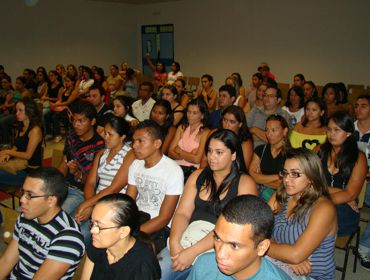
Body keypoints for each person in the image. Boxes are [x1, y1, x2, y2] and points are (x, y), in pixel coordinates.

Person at [160, 130, 258, 280]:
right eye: (210, 151)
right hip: (188, 236)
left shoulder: (245, 183)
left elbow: (233, 231)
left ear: (233, 155)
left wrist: (192, 252)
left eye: (219, 152)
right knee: (158, 270)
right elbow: (182, 213)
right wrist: (174, 242)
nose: (212, 157)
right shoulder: (197, 176)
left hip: (220, 246)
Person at [0, 167, 85, 279]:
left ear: (51, 200)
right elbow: (7, 261)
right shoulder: (27, 216)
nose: (22, 200)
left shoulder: (68, 238)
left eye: (30, 195)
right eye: (23, 192)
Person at [267, 148, 337, 279]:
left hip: (312, 276)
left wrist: (289, 256)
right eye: (285, 173)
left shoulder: (323, 208)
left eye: (295, 174)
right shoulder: (281, 195)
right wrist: (285, 257)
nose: (287, 180)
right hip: (279, 263)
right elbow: (256, 226)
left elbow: (295, 255)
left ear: (311, 177)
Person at [188, 195, 290, 280]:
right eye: (218, 238)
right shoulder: (204, 265)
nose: (220, 254)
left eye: (234, 245)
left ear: (261, 247)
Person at [74, 116, 136, 243]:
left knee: (82, 234)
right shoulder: (102, 153)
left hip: (115, 206)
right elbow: (90, 183)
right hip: (96, 202)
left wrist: (89, 205)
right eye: (104, 133)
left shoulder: (130, 155)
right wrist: (90, 206)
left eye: (110, 134)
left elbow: (114, 188)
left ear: (122, 137)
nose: (105, 137)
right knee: (72, 224)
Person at [126, 120, 184, 252]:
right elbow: (128, 201)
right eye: (134, 141)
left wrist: (132, 234)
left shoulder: (173, 171)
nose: (134, 146)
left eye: (141, 141)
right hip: (138, 219)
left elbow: (164, 218)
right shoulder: (136, 165)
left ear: (157, 143)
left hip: (160, 227)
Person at [80, 193, 161, 280]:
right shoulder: (98, 244)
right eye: (92, 223)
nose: (92, 230)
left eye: (100, 227)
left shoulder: (143, 266)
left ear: (123, 231)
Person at [318, 111, 367, 236]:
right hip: (319, 200)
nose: (331, 134)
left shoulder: (358, 158)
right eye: (329, 129)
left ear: (349, 133)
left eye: (337, 130)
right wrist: (339, 192)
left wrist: (319, 198)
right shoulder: (319, 151)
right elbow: (309, 181)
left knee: (315, 219)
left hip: (343, 210)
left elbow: (350, 194)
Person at [58, 101, 105, 217]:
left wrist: (78, 173)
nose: (75, 124)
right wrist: (54, 184)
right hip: (64, 186)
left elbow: (93, 183)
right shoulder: (71, 136)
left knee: (57, 216)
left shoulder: (99, 146)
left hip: (81, 192)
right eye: (74, 120)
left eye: (80, 121)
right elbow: (63, 163)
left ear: (93, 121)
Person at [0, 97, 43, 187]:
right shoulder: (20, 126)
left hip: (30, 172)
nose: (17, 113)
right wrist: (8, 155)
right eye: (16, 110)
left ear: (29, 112)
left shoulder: (35, 130)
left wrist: (8, 151)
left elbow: (28, 155)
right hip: (20, 166)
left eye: (20, 110)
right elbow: (16, 146)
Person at [249, 114, 290, 202]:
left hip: (280, 198)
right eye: (267, 130)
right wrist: (278, 176)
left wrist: (260, 179)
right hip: (258, 194)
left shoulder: (291, 155)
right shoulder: (260, 150)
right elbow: (252, 175)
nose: (269, 134)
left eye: (273, 130)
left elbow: (285, 184)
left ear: (285, 131)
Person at [169, 98, 210, 180]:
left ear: (202, 115)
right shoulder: (182, 127)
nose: (190, 115)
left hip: (191, 172)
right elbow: (170, 152)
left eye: (194, 113)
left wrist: (180, 151)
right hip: (174, 167)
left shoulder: (205, 132)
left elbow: (197, 159)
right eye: (188, 111)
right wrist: (189, 155)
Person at [354, 95, 370, 269]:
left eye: (364, 106)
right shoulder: (348, 129)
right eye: (357, 106)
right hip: (349, 179)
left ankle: (364, 246)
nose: (359, 109)